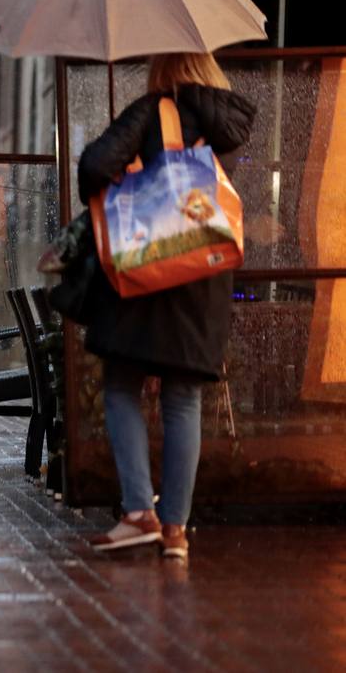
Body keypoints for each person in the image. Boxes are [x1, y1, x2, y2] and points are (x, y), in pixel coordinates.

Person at [77, 53, 255, 561]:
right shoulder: (233, 124)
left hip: (151, 267)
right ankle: (176, 529)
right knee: (183, 399)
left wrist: (126, 172)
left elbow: (95, 164)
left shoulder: (155, 110)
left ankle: (139, 513)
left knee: (120, 386)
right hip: (206, 274)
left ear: (164, 70)